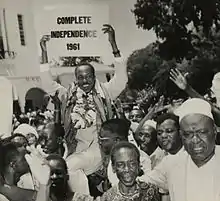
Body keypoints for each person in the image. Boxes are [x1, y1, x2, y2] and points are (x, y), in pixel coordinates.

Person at [40, 24, 127, 194]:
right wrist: (44, 52)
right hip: (76, 148)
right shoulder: (68, 95)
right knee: (65, 169)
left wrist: (113, 45)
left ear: (94, 77)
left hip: (99, 149)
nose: (85, 80)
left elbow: (122, 78)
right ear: (76, 79)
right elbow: (46, 83)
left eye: (88, 76)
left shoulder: (105, 92)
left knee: (69, 167)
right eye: (80, 77)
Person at [141, 98, 220, 201]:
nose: (195, 140)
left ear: (214, 131)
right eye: (188, 134)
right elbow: (134, 186)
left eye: (202, 132)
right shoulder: (172, 164)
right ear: (181, 135)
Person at [27, 142, 160, 201]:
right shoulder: (108, 198)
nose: (127, 170)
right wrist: (45, 185)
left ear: (139, 165)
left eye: (132, 163)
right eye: (121, 164)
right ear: (113, 168)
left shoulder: (152, 191)